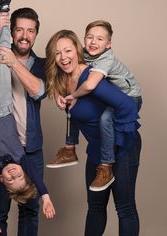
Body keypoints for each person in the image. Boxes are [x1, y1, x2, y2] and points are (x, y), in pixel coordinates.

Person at [46, 29, 141, 236]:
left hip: (123, 145)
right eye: (57, 53)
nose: (64, 58)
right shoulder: (62, 82)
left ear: (77, 51)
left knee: (124, 208)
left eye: (68, 51)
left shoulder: (91, 78)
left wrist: (116, 145)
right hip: (98, 149)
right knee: (95, 208)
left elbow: (128, 106)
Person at [0, 6, 50, 236]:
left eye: (31, 31)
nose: (25, 36)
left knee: (30, 210)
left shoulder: (42, 64)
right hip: (0, 147)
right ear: (11, 31)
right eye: (19, 30)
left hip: (31, 146)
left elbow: (39, 92)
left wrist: (13, 63)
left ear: (36, 33)